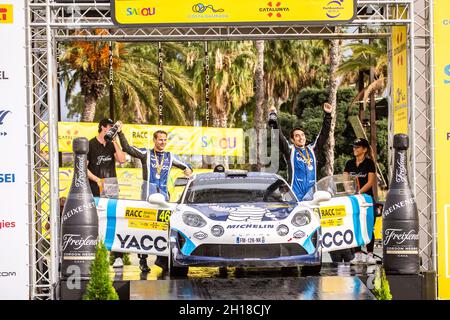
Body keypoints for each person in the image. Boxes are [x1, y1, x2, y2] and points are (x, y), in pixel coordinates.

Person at [117, 129, 193, 273]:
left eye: (165, 140)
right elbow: (127, 148)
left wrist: (188, 171)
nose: (163, 142)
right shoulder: (146, 154)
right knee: (144, 228)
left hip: (163, 198)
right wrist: (121, 133)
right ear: (154, 140)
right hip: (147, 197)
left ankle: (161, 259)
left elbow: (186, 167)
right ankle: (143, 260)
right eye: (160, 139)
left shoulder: (170, 156)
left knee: (163, 228)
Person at [268, 103, 333, 201]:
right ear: (292, 140)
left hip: (312, 196)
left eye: (302, 135)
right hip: (294, 196)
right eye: (297, 136)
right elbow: (279, 137)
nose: (301, 137)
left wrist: (328, 115)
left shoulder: (312, 149)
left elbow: (324, 134)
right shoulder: (290, 150)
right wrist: (273, 117)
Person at [87, 118, 127, 268]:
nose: (112, 129)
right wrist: (97, 180)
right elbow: (83, 168)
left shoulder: (111, 144)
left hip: (111, 185)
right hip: (95, 184)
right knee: (96, 220)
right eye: (111, 127)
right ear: (103, 127)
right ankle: (97, 253)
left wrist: (115, 140)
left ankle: (117, 256)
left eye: (114, 127)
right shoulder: (90, 144)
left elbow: (122, 160)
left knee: (114, 219)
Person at [344, 138, 377, 265]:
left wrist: (359, 193)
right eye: (354, 147)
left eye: (357, 147)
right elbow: (345, 180)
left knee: (368, 226)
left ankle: (370, 254)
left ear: (364, 149)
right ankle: (357, 254)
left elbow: (370, 182)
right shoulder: (349, 163)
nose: (354, 149)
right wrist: (350, 193)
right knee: (355, 225)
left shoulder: (369, 163)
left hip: (366, 199)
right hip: (353, 199)